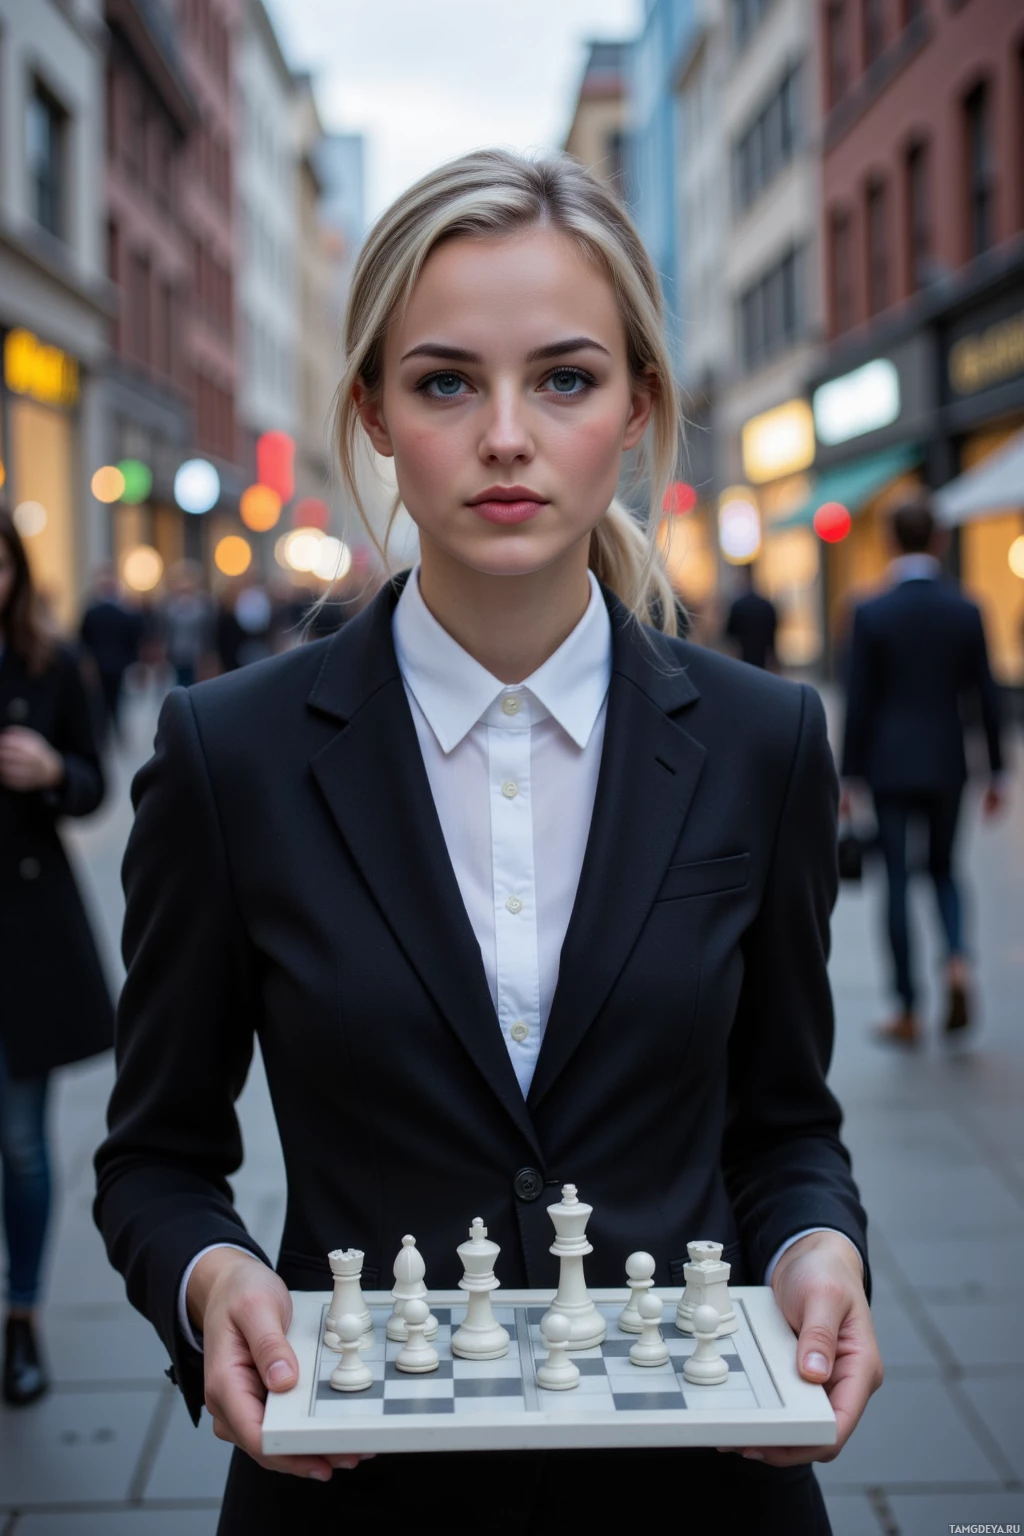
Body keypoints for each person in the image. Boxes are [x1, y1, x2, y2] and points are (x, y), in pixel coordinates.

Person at [94, 151, 880, 1533]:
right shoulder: (234, 755)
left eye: (565, 379)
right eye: (446, 381)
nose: (505, 435)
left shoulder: (765, 742)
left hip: (697, 1484)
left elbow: (785, 1127)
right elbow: (156, 1160)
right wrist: (213, 1284)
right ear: (376, 414)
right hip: (351, 1484)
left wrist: (821, 1251)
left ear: (636, 405)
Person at [0, 510, 114, 1405]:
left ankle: (23, 1316)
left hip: (23, 940)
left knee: (22, 1145)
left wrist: (51, 773)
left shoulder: (53, 664)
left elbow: (95, 783)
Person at [841, 496, 1006, 1046]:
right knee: (943, 870)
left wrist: (848, 775)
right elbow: (986, 696)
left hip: (888, 765)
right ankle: (957, 961)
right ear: (938, 541)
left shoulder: (870, 612)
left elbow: (858, 700)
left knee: (895, 880)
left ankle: (907, 1008)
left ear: (890, 542)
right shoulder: (966, 609)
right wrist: (998, 773)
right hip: (947, 763)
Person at [78, 566, 143, 746]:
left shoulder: (93, 611)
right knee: (114, 700)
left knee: (103, 701)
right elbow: (134, 638)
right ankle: (115, 733)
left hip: (101, 664)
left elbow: (82, 639)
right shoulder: (122, 611)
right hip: (115, 664)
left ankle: (104, 734)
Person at [724, 565, 778, 670]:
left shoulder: (738, 605)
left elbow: (729, 637)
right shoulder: (766, 605)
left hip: (743, 660)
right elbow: (772, 638)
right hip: (763, 661)